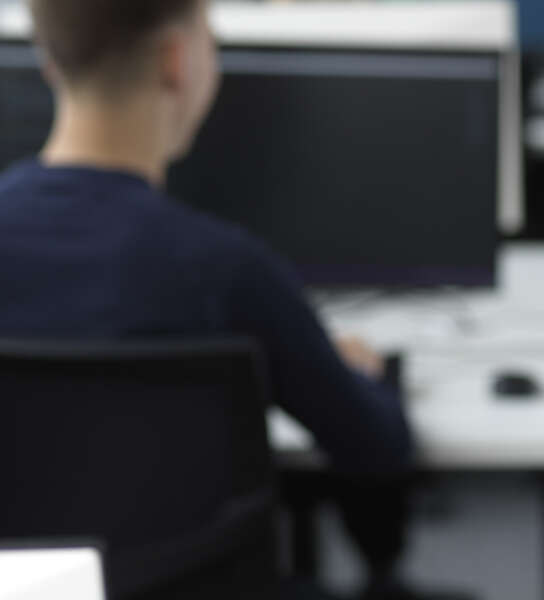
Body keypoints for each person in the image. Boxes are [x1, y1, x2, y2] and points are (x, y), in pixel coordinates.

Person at [0, 1, 437, 597]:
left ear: (51, 61)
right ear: (177, 62)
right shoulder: (224, 269)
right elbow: (378, 450)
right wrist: (366, 372)